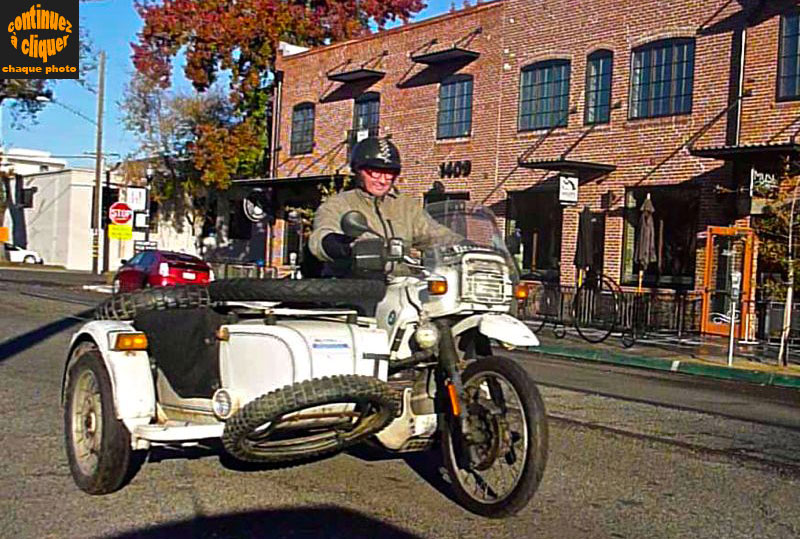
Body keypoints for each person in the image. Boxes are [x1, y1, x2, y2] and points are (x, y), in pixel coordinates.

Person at [309, 137, 458, 275]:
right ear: (358, 171)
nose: (382, 180)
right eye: (374, 172)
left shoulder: (405, 205)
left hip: (401, 288)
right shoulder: (338, 204)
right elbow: (321, 237)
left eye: (389, 173)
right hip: (354, 286)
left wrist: (467, 245)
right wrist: (343, 247)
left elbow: (434, 234)